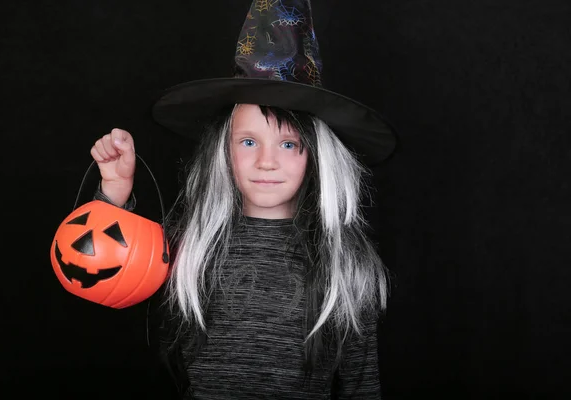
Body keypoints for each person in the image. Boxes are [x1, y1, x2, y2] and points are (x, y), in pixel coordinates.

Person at [88, 0, 397, 398]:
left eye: (288, 143)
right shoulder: (191, 245)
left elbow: (361, 384)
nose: (267, 162)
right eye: (249, 141)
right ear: (224, 150)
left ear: (316, 156)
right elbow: (105, 277)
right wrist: (114, 191)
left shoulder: (345, 263)